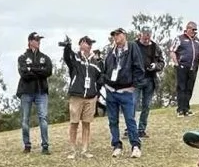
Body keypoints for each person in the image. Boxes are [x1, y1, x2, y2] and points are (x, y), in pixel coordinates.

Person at [102, 27, 144, 158]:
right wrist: (105, 82)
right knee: (112, 120)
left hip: (126, 90)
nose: (116, 37)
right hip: (111, 91)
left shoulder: (132, 47)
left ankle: (135, 145)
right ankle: (116, 145)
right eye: (114, 35)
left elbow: (139, 67)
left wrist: (134, 85)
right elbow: (106, 68)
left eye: (118, 34)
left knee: (130, 119)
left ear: (124, 35)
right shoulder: (111, 52)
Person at [61, 35, 105, 159]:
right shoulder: (75, 58)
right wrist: (67, 47)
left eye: (90, 43)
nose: (89, 45)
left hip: (91, 97)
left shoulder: (96, 61)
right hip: (77, 95)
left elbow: (101, 76)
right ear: (80, 44)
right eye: (86, 42)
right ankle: (72, 150)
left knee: (86, 123)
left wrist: (96, 88)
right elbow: (67, 58)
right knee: (74, 123)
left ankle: (85, 150)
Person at [16, 32, 53, 155]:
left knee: (43, 118)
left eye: (39, 40)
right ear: (30, 41)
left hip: (41, 92)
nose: (38, 41)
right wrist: (38, 70)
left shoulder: (45, 57)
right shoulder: (22, 57)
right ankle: (27, 145)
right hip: (26, 92)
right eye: (36, 40)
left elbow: (48, 71)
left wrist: (31, 68)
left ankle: (45, 146)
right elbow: (24, 74)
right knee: (25, 119)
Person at [135, 27, 164, 141]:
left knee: (146, 106)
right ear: (140, 34)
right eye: (145, 35)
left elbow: (162, 62)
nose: (147, 38)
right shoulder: (134, 46)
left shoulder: (155, 47)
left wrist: (155, 66)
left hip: (150, 80)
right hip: (136, 80)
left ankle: (141, 129)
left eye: (149, 35)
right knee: (132, 104)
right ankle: (130, 129)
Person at [174, 22, 199, 115]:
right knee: (182, 87)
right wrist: (176, 63)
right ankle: (180, 109)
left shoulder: (197, 40)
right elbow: (172, 51)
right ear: (188, 29)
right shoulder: (180, 38)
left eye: (195, 30)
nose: (194, 32)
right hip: (182, 66)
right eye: (193, 29)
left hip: (193, 67)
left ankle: (186, 107)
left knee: (189, 88)